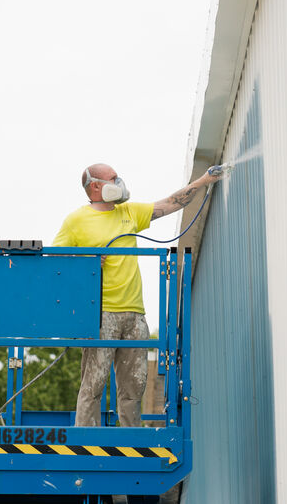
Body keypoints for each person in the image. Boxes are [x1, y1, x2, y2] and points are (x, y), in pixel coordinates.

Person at [53, 163, 221, 427]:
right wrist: (86, 262)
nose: (119, 182)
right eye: (113, 179)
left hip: (134, 314)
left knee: (135, 384)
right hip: (100, 313)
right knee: (93, 383)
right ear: (95, 186)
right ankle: (84, 441)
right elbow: (56, 261)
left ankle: (132, 440)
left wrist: (204, 180)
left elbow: (169, 204)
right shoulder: (76, 221)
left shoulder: (129, 212)